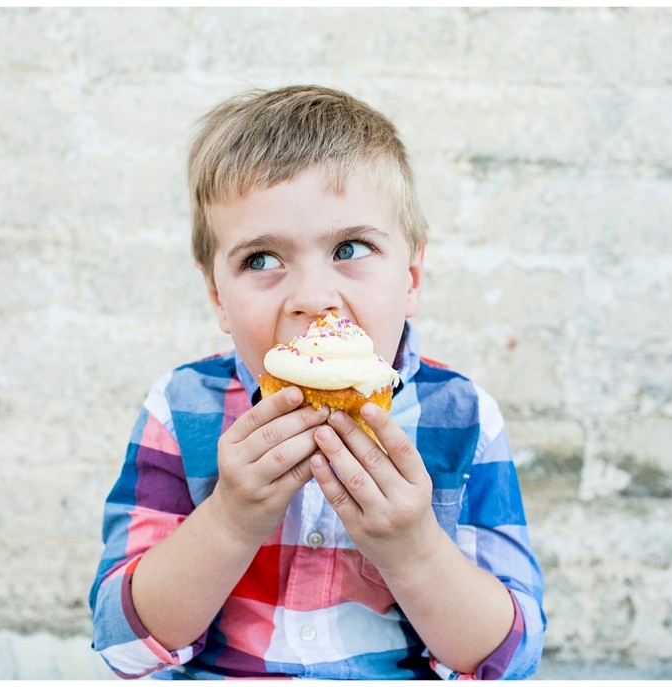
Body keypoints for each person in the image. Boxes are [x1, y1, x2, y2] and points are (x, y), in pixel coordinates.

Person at [89, 84, 546, 680]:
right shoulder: (182, 409)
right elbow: (123, 644)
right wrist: (230, 519)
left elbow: (508, 659)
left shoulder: (462, 418)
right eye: (261, 260)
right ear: (216, 298)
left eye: (350, 248)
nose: (312, 298)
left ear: (410, 277)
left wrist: (412, 548)